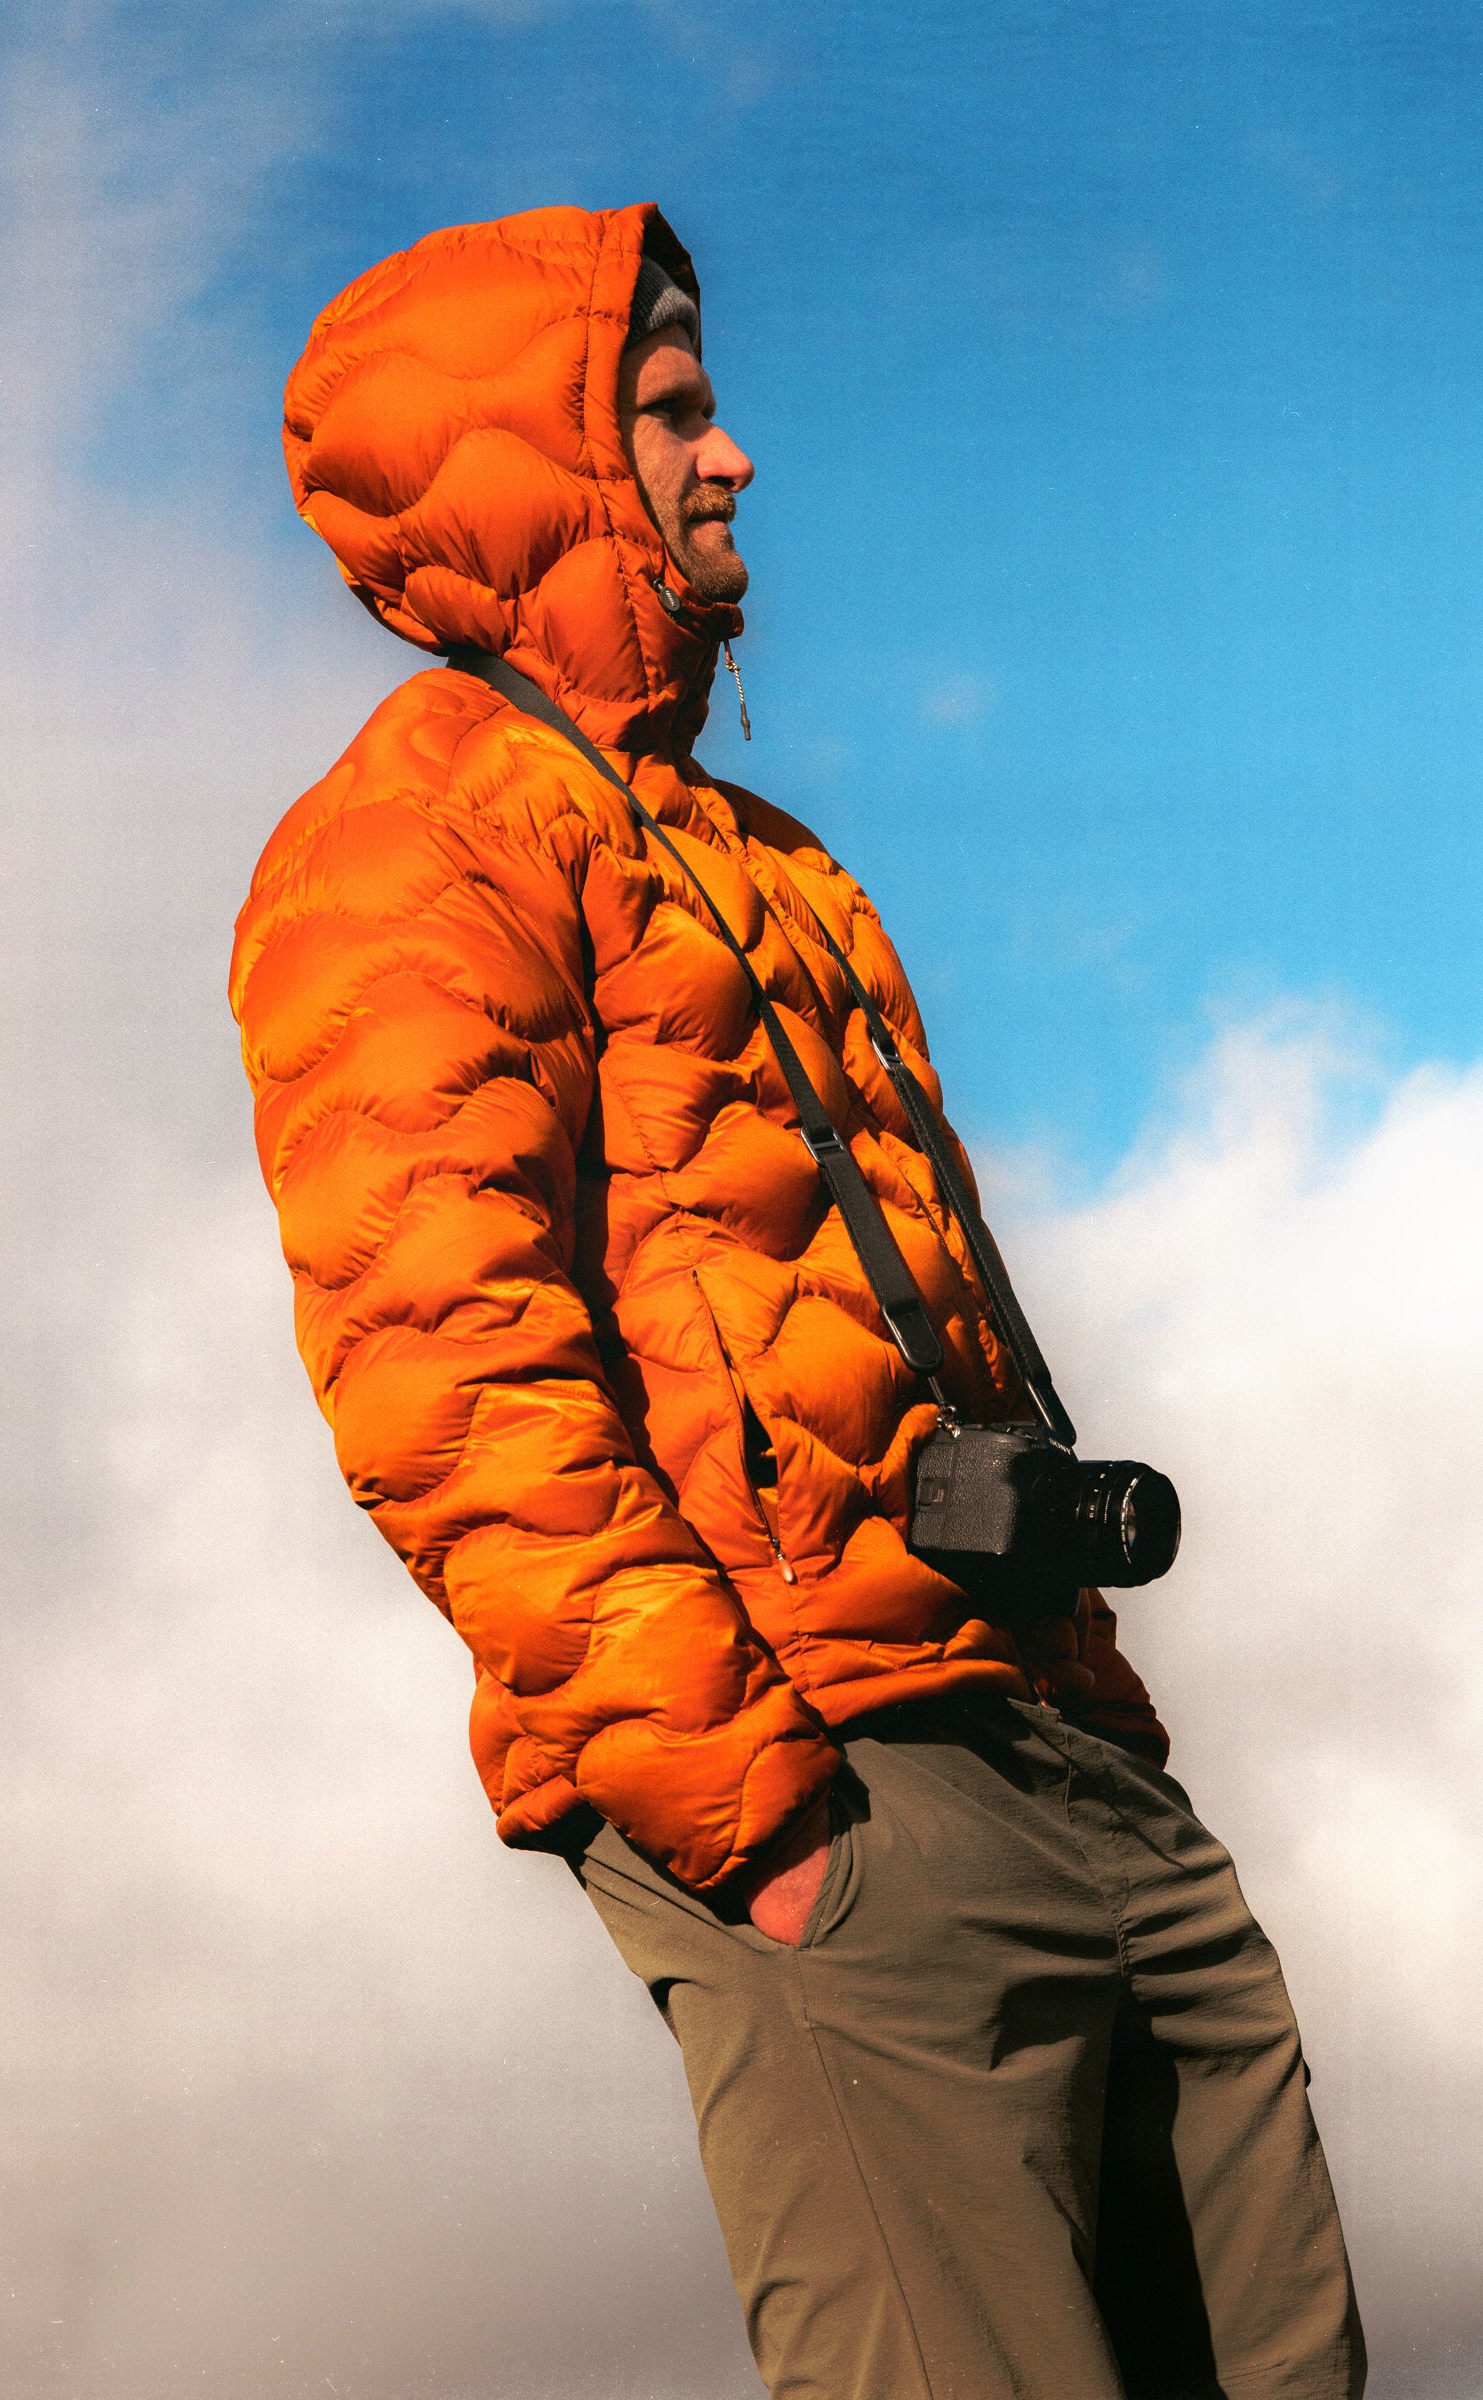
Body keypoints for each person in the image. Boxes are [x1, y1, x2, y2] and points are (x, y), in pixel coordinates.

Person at [230, 203, 1365, 2399]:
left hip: (1061, 1745)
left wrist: (1104, 1712)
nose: (728, 454)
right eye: (664, 410)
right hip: (824, 1787)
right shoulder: (411, 838)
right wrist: (760, 1833)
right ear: (522, 458)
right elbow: (440, 1370)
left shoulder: (768, 857)